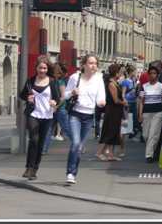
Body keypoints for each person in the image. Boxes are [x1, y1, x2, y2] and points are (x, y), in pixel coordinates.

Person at [64, 54, 106, 184]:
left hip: (89, 116)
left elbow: (101, 96)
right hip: (75, 114)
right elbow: (65, 95)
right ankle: (70, 173)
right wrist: (72, 93)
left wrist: (101, 102)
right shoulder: (75, 78)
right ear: (84, 65)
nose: (93, 66)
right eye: (90, 63)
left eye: (95, 63)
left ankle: (73, 173)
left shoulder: (98, 80)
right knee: (75, 143)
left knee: (80, 147)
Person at [19, 55, 60, 180]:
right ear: (36, 68)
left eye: (44, 68)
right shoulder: (30, 81)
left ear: (47, 69)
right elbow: (22, 94)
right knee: (33, 140)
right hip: (34, 113)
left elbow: (57, 98)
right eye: (40, 68)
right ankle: (29, 167)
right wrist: (28, 97)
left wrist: (54, 102)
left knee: (41, 143)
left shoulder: (52, 82)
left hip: (46, 115)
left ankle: (35, 169)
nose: (42, 71)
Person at [95, 64, 127, 162]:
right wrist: (123, 103)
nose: (121, 74)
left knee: (115, 131)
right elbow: (116, 100)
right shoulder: (111, 84)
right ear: (115, 73)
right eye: (119, 72)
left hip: (116, 110)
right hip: (112, 110)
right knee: (112, 132)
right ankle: (100, 151)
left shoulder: (115, 82)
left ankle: (111, 155)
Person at [139, 64, 162, 163]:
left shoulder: (161, 86)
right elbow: (141, 101)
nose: (152, 75)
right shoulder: (144, 86)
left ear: (157, 75)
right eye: (150, 73)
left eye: (154, 73)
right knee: (146, 135)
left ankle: (149, 155)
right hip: (147, 111)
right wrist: (140, 114)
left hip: (158, 111)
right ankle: (151, 150)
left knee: (154, 133)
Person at [42, 62, 69, 154]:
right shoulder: (52, 81)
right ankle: (43, 150)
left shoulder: (60, 82)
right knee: (48, 129)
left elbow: (64, 96)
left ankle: (79, 145)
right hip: (53, 109)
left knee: (66, 129)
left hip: (60, 108)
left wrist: (56, 106)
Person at [122, 65, 142, 141]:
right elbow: (123, 93)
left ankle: (132, 134)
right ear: (130, 72)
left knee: (134, 118)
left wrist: (137, 96)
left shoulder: (134, 80)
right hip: (128, 101)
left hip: (134, 101)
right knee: (125, 118)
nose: (135, 73)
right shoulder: (125, 81)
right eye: (134, 72)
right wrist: (124, 100)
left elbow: (137, 89)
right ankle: (122, 134)